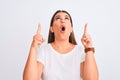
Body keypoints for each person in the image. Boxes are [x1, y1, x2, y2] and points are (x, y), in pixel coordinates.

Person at [23, 10, 98, 80]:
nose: (62, 20)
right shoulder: (44, 51)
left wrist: (89, 49)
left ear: (71, 28)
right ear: (51, 28)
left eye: (66, 18)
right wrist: (33, 47)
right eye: (58, 18)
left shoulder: (80, 51)